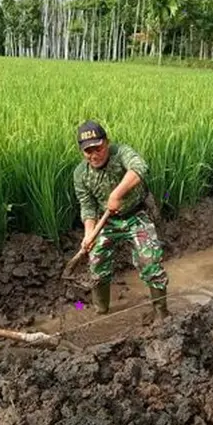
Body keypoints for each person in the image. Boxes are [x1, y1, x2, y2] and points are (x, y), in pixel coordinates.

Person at [72, 120, 171, 319]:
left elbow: (140, 167)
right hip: (107, 222)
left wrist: (116, 194)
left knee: (150, 261)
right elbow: (88, 206)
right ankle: (101, 311)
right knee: (97, 263)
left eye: (98, 148)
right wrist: (89, 233)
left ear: (107, 143)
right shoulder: (81, 174)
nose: (94, 155)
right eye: (88, 151)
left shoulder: (121, 153)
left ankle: (161, 314)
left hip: (137, 214)